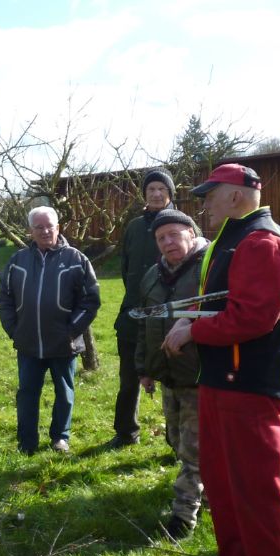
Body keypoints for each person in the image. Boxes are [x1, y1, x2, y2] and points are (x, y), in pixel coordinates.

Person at [165, 163, 280, 556]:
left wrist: (193, 331)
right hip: (219, 380)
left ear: (237, 196)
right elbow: (222, 304)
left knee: (258, 487)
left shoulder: (262, 241)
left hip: (250, 385)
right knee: (223, 481)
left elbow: (251, 319)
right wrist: (193, 318)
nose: (203, 204)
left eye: (210, 194)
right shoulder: (233, 238)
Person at [0, 206, 100, 455]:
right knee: (27, 393)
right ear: (30, 231)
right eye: (39, 227)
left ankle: (60, 438)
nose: (45, 231)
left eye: (49, 226)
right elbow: (5, 299)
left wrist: (71, 330)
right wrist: (15, 330)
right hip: (29, 343)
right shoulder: (17, 261)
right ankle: (27, 442)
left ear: (58, 228)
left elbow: (90, 300)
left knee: (64, 393)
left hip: (64, 344)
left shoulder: (77, 259)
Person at [134, 209, 209, 539]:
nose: (168, 242)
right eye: (161, 238)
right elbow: (145, 323)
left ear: (191, 234)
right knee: (177, 441)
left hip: (200, 374)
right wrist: (145, 368)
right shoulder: (152, 275)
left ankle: (183, 517)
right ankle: (209, 492)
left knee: (193, 448)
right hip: (167, 374)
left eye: (174, 235)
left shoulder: (209, 269)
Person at [111, 168, 175, 448]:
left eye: (162, 189)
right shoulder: (135, 227)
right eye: (151, 190)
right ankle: (126, 432)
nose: (157, 194)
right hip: (133, 315)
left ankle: (177, 439)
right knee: (128, 380)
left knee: (176, 383)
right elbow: (126, 269)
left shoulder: (182, 225)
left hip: (171, 318)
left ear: (170, 194)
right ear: (145, 194)